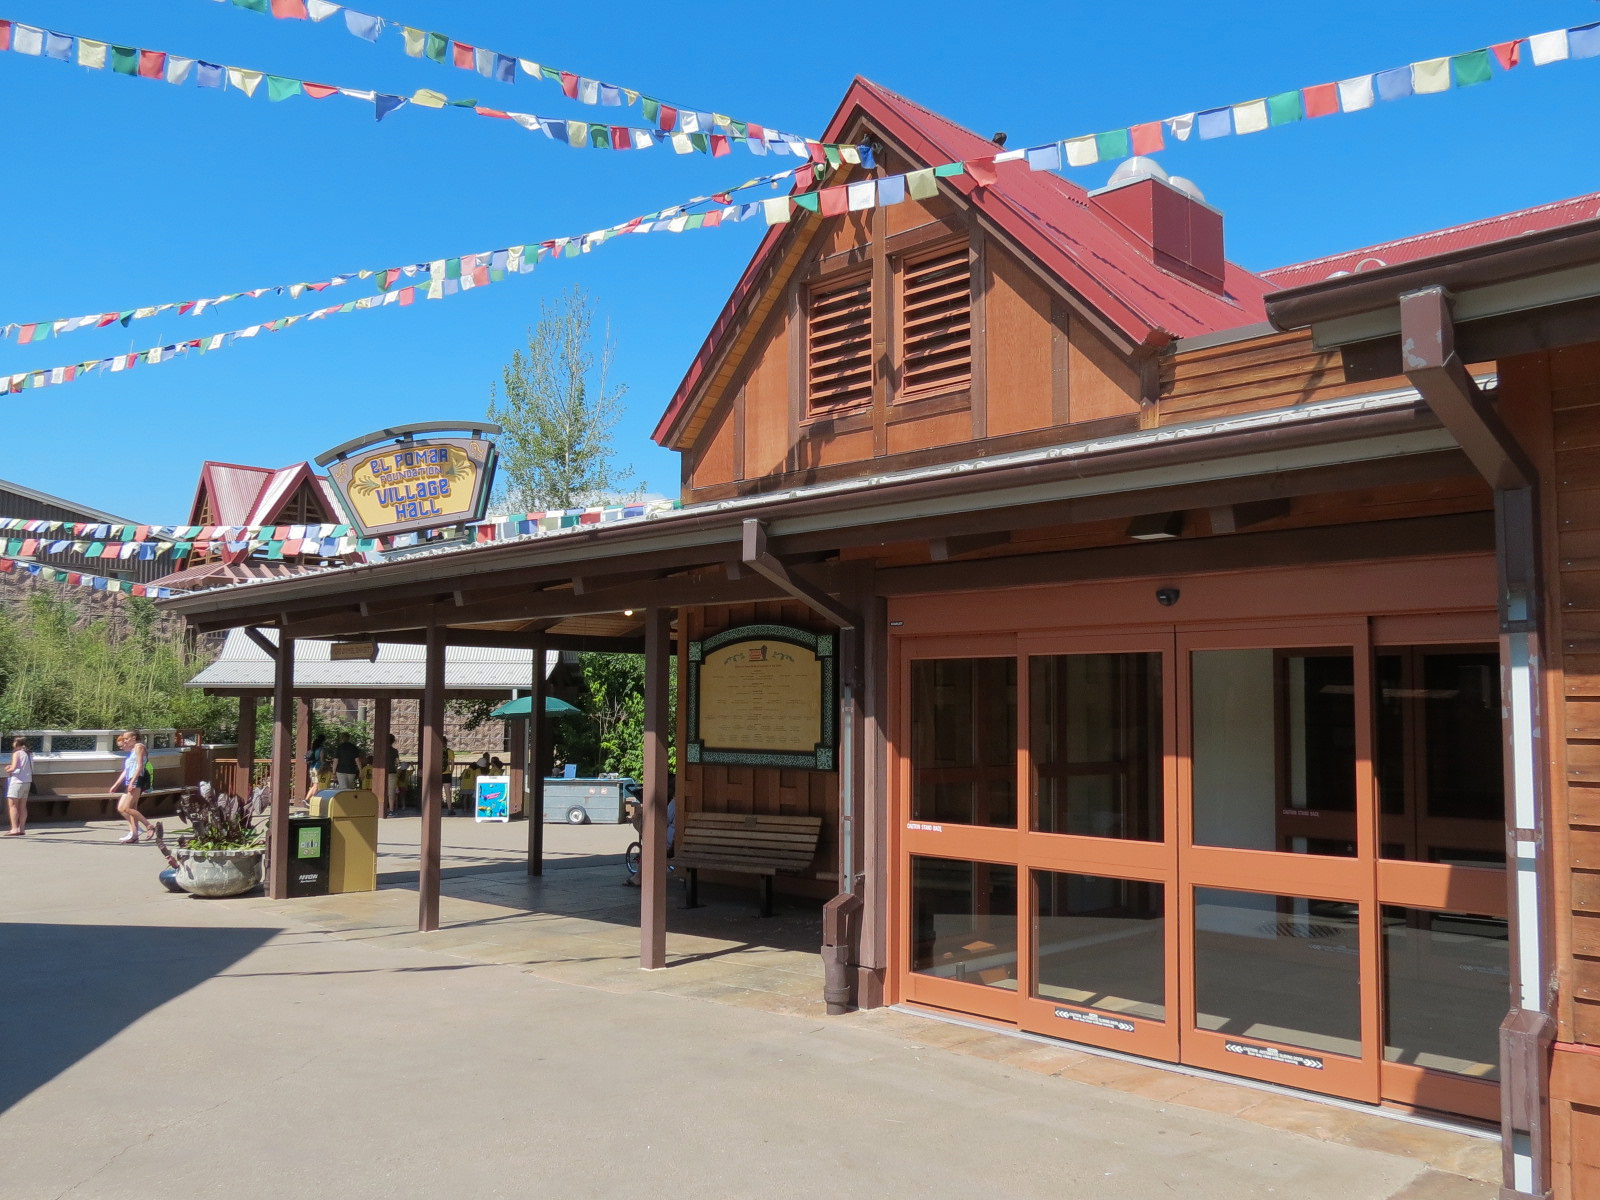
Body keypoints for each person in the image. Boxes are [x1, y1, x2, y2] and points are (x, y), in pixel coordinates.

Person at [110, 729, 155, 844]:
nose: (125, 741)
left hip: (137, 780)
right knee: (122, 807)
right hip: (130, 780)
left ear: (133, 738)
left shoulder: (139, 747)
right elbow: (127, 770)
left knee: (127, 808)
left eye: (126, 739)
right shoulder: (132, 751)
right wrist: (116, 784)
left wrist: (132, 782)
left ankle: (149, 826)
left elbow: (140, 766)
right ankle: (135, 834)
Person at [4, 736, 33, 837]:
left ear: (17, 743)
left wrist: (8, 769)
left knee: (13, 805)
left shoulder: (17, 753)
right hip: (27, 782)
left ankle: (14, 828)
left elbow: (13, 767)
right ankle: (22, 828)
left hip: (17, 782)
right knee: (22, 806)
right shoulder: (29, 754)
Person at [384, 734, 400, 817]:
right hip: (392, 772)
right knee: (391, 792)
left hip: (382, 772)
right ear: (393, 741)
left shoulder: (382, 750)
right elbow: (397, 762)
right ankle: (391, 810)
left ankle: (381, 808)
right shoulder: (394, 751)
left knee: (382, 791)